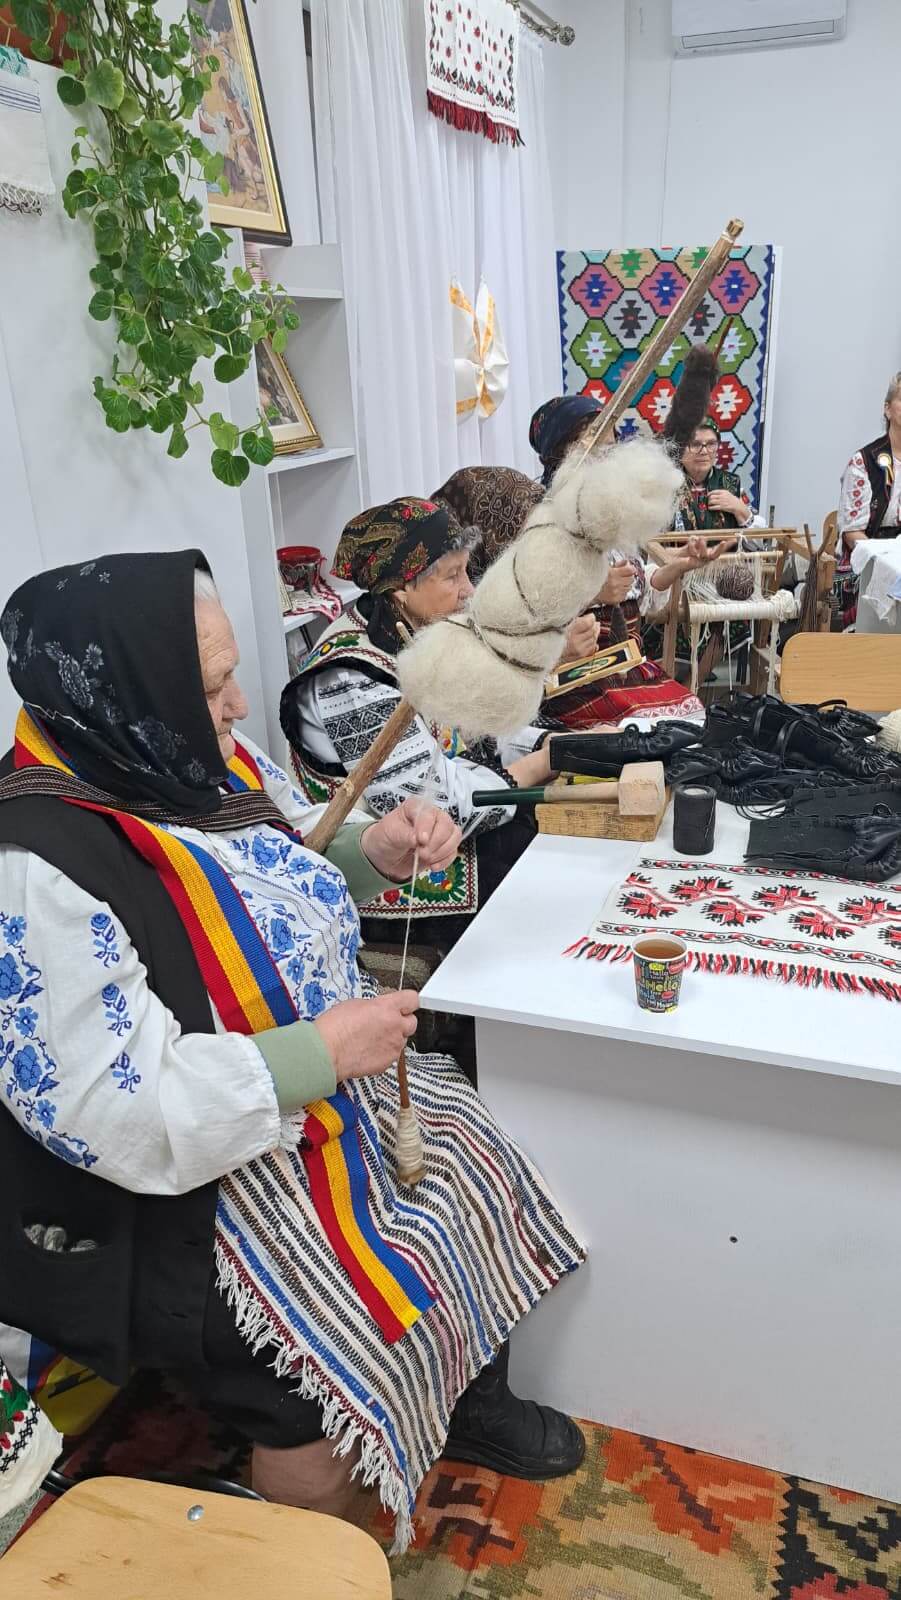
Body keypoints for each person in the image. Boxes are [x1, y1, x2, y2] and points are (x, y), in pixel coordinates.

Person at [0, 551, 584, 1552]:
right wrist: (317, 1053)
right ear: (127, 689)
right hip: (169, 1191)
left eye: (229, 673)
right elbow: (113, 1112)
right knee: (326, 1339)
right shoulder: (32, 867)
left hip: (290, 1092)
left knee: (471, 1154)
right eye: (211, 685)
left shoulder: (180, 756)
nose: (238, 704)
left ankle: (457, 1391)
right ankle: (313, 1535)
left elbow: (278, 859)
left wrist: (373, 848)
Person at [280, 498, 557, 952]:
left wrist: (551, 743)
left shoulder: (414, 637)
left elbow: (477, 730)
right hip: (388, 882)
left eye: (466, 572)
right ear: (400, 589)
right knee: (536, 870)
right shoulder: (348, 677)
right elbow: (438, 810)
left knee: (551, 837)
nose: (469, 590)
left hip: (441, 845)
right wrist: (538, 765)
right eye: (452, 576)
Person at [526, 396, 733, 727]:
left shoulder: (613, 516)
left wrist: (680, 565)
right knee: (645, 730)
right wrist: (595, 593)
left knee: (692, 716)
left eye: (609, 438)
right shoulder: (546, 520)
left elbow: (639, 590)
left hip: (627, 666)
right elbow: (531, 612)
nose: (608, 449)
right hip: (577, 679)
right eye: (592, 438)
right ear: (563, 453)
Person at [835, 373, 901, 628]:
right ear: (887, 409)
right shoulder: (864, 461)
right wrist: (888, 563)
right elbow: (852, 533)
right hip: (869, 558)